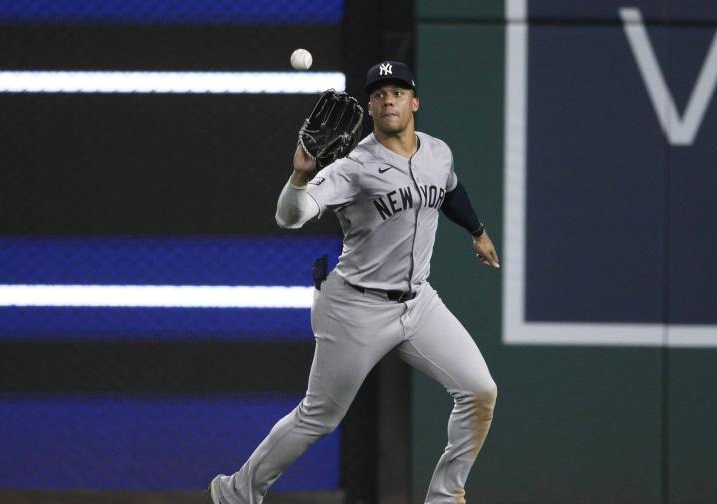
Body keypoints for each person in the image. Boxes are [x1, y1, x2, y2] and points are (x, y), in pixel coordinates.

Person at [209, 60, 499, 504]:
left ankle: (444, 497)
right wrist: (300, 175)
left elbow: (451, 191)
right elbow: (292, 217)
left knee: (480, 390)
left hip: (419, 302)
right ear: (370, 106)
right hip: (355, 307)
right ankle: (236, 492)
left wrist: (477, 232)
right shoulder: (354, 165)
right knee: (318, 418)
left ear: (414, 101)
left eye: (398, 91)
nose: (389, 99)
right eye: (379, 94)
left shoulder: (438, 151)